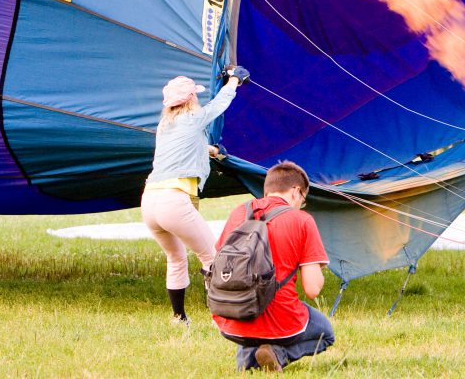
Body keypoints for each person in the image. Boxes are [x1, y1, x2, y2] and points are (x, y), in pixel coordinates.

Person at [141, 66, 249, 325]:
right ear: (190, 98)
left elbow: (184, 148)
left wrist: (208, 150)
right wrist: (235, 79)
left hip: (149, 201)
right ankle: (220, 317)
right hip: (173, 201)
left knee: (176, 258)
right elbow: (219, 104)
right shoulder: (194, 117)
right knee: (212, 256)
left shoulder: (165, 126)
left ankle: (179, 317)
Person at [213, 160, 334, 372]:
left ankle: (249, 363)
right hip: (280, 322)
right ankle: (278, 353)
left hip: (230, 317)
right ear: (296, 192)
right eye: (303, 200)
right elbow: (313, 289)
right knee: (325, 332)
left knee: (255, 318)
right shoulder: (301, 220)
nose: (301, 205)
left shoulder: (239, 212)